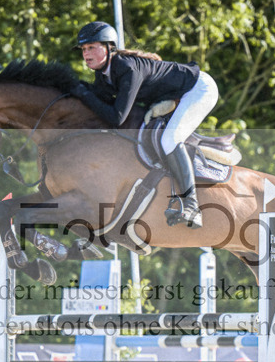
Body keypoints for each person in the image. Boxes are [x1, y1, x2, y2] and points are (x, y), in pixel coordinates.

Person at [69, 21, 219, 229]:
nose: (86, 53)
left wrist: (83, 93)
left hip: (199, 89)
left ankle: (192, 205)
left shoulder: (127, 67)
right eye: (84, 49)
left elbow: (117, 117)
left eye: (92, 47)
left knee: (170, 139)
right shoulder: (104, 75)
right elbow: (100, 103)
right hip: (178, 93)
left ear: (109, 47)